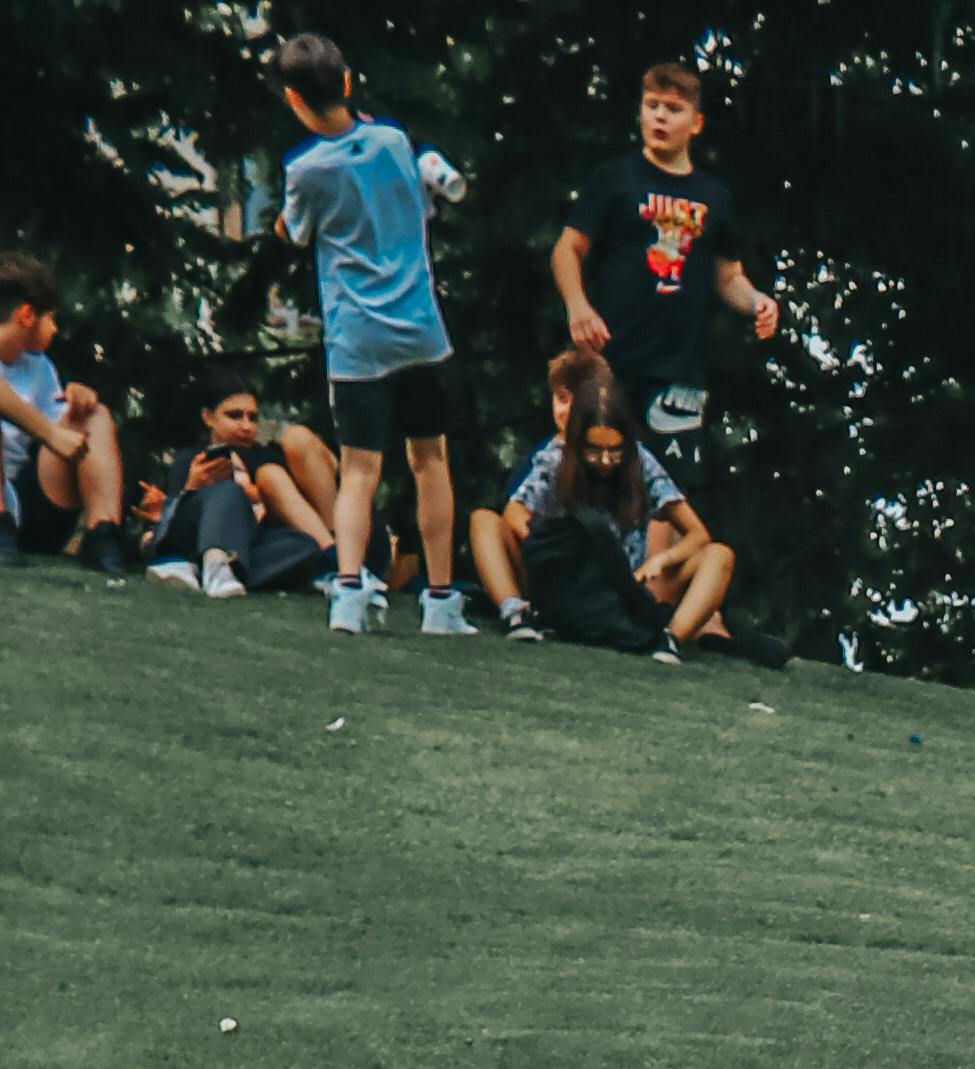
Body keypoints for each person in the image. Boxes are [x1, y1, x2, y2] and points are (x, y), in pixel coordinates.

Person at [275, 39, 473, 639]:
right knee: (429, 458)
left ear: (293, 99)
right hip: (418, 331)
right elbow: (420, 205)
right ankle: (440, 602)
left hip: (356, 339)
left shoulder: (305, 170)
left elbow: (296, 232)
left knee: (360, 469)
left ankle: (350, 595)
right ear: (348, 80)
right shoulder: (394, 142)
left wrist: (287, 220)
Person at [557, 61, 776, 491]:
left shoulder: (713, 196)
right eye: (651, 105)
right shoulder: (614, 178)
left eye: (672, 109)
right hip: (611, 359)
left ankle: (659, 563)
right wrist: (577, 305)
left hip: (679, 371)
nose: (659, 116)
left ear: (695, 123)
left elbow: (727, 274)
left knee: (669, 490)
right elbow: (567, 248)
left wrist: (757, 302)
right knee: (598, 476)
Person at [474, 351, 727, 649]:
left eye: (614, 451)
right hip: (564, 581)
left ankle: (667, 640)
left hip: (624, 585)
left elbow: (698, 533)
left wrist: (663, 559)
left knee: (719, 555)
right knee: (483, 520)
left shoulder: (641, 460)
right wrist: (550, 541)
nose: (605, 460)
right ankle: (516, 612)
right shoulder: (554, 456)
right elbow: (514, 512)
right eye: (561, 399)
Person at [144, 383, 341, 596]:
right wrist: (192, 488)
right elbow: (170, 522)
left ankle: (206, 569)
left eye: (252, 418)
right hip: (196, 535)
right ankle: (214, 564)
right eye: (235, 416)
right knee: (228, 491)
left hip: (248, 543)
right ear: (208, 417)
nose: (246, 426)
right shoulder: (190, 459)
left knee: (305, 545)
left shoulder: (266, 460)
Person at [0, 268, 129, 565]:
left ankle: (103, 534)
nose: (56, 329)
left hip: (25, 507)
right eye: (51, 318)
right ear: (26, 315)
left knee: (94, 416)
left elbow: (65, 435)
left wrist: (76, 404)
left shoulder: (40, 367)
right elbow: (54, 436)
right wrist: (50, 432)